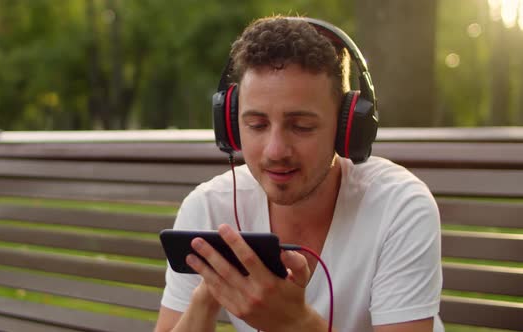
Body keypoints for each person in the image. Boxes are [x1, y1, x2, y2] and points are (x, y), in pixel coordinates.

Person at [155, 15, 443, 332]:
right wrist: (207, 295)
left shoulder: (399, 207)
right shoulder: (210, 206)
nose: (275, 150)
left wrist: (296, 322)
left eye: (301, 126)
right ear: (231, 124)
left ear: (347, 128)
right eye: (257, 125)